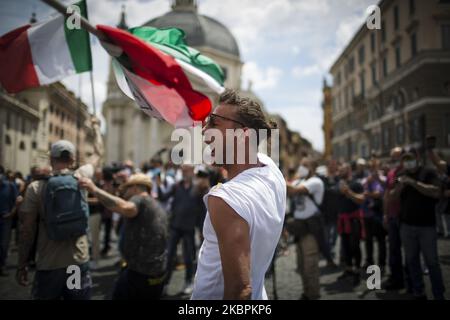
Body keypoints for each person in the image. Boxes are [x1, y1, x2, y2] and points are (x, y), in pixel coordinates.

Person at [191, 89, 285, 300]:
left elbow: (240, 291)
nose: (205, 133)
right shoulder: (271, 170)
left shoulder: (225, 200)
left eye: (214, 124)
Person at [16, 117, 103, 300]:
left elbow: (27, 230)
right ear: (72, 159)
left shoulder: (35, 188)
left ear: (51, 158)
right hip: (77, 260)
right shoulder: (82, 178)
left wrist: (22, 263)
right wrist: (96, 128)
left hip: (49, 263)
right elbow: (98, 153)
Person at [79, 173, 168, 300]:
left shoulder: (139, 199)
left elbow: (126, 207)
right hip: (156, 273)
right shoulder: (155, 204)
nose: (123, 190)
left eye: (127, 187)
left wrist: (94, 189)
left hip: (141, 274)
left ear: (136, 188)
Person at [390, 150, 446, 300]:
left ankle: (439, 294)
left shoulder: (429, 172)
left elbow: (435, 192)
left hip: (426, 226)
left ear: (418, 158)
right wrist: (399, 187)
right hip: (406, 226)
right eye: (405, 159)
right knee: (411, 260)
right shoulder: (400, 174)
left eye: (410, 159)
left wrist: (413, 183)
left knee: (432, 262)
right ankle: (418, 292)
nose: (408, 162)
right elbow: (392, 197)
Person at [160, 165, 205, 296]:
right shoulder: (176, 186)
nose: (185, 173)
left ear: (192, 172)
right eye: (183, 170)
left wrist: (201, 229)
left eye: (187, 170)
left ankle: (188, 281)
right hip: (174, 226)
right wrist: (158, 184)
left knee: (188, 258)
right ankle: (165, 284)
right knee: (168, 257)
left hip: (189, 228)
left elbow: (202, 211)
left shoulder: (198, 188)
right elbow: (163, 197)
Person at [287, 158, 324, 300]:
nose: (301, 168)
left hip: (311, 228)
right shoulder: (299, 180)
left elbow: (294, 190)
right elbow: (288, 190)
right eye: (301, 165)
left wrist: (275, 174)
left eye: (305, 165)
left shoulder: (315, 182)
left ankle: (313, 295)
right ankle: (306, 293)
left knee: (310, 266)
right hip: (299, 228)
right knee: (301, 266)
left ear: (313, 167)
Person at [336, 163, 365, 285]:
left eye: (342, 170)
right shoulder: (338, 184)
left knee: (355, 246)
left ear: (348, 171)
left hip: (353, 220)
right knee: (345, 246)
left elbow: (361, 199)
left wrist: (348, 192)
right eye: (340, 170)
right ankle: (348, 270)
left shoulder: (356, 183)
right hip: (342, 220)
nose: (340, 172)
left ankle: (357, 271)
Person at [383, 147, 408, 290]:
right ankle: (396, 279)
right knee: (393, 250)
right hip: (392, 216)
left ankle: (410, 280)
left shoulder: (407, 172)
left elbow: (395, 191)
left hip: (405, 217)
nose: (394, 160)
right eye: (393, 157)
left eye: (397, 157)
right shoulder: (391, 173)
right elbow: (387, 195)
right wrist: (385, 214)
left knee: (410, 252)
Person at [362, 160, 386, 273]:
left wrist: (369, 194)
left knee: (381, 240)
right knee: (368, 240)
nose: (371, 170)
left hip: (378, 214)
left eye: (373, 167)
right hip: (367, 214)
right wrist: (367, 184)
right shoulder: (366, 180)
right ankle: (369, 261)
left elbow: (379, 193)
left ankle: (382, 263)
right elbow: (363, 192)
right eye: (370, 168)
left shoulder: (382, 179)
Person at [0, 165, 20, 276]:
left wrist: (11, 213)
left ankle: (2, 265)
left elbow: (17, 200)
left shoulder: (10, 186)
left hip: (5, 219)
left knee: (3, 244)